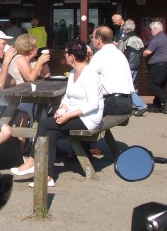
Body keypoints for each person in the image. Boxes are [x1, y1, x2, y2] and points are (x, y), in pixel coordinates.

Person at [12, 39, 103, 187]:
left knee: (43, 123)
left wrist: (67, 115)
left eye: (66, 53)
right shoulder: (74, 72)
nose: (64, 55)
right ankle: (48, 176)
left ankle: (32, 159)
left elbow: (93, 105)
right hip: (73, 114)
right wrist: (62, 109)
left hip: (88, 119)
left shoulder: (90, 74)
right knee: (50, 134)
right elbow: (67, 96)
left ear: (72, 56)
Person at [89, 27, 135, 117]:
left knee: (78, 110)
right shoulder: (118, 53)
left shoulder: (101, 55)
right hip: (127, 102)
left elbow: (87, 77)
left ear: (99, 39)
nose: (92, 39)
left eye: (92, 37)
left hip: (113, 103)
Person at [6, 33, 51, 126]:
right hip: (17, 99)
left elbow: (46, 76)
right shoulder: (20, 59)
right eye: (35, 46)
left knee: (44, 112)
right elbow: (30, 78)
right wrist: (39, 62)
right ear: (29, 48)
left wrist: (44, 62)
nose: (38, 48)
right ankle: (35, 139)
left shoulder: (32, 60)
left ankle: (33, 138)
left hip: (28, 98)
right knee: (42, 116)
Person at [143, 21, 167, 114]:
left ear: (155, 30)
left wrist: (143, 52)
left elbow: (148, 52)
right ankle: (157, 106)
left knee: (152, 85)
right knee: (160, 86)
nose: (151, 31)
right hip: (166, 65)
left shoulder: (157, 38)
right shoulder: (166, 37)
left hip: (158, 65)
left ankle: (166, 100)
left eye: (151, 29)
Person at [118, 19, 148, 116]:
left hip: (126, 67)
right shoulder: (139, 39)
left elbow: (118, 54)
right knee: (132, 87)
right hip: (136, 66)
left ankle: (141, 105)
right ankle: (128, 107)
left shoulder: (124, 39)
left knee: (127, 88)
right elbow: (142, 53)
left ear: (125, 28)